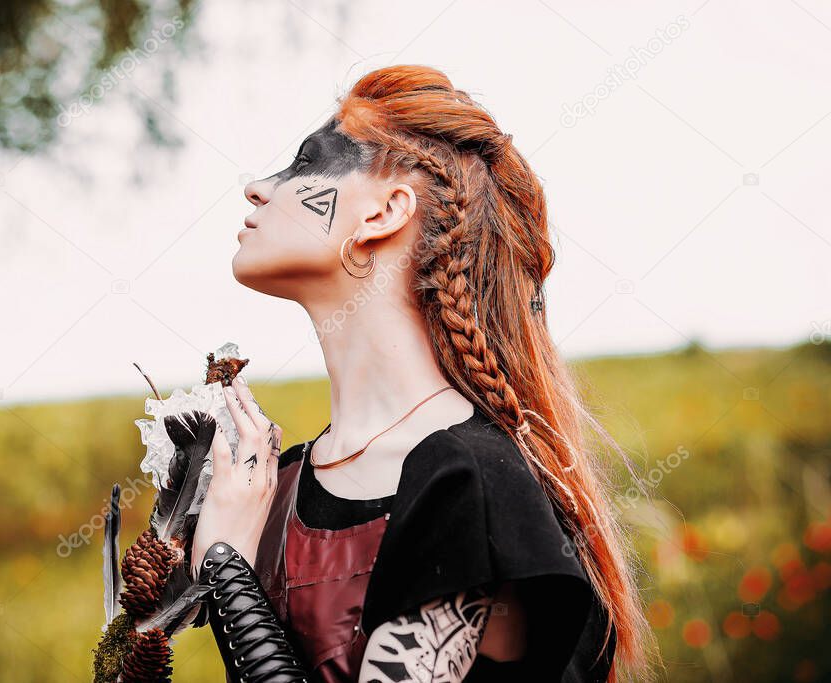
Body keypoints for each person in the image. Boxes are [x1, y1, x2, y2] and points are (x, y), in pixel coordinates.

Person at [189, 64, 654, 682]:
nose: (257, 186)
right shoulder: (276, 487)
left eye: (307, 163)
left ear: (383, 212)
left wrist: (227, 574)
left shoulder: (474, 484)